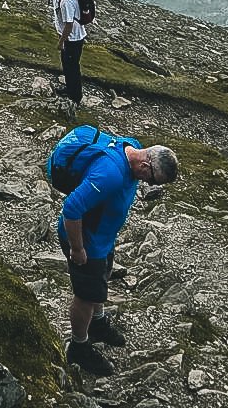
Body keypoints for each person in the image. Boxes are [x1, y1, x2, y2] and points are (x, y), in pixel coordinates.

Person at [51, 127, 179, 375]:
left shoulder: (131, 145)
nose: (149, 184)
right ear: (145, 166)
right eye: (152, 180)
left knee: (101, 279)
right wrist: (77, 249)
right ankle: (78, 346)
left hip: (103, 238)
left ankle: (97, 325)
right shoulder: (109, 174)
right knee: (86, 295)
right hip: (86, 242)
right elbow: (72, 209)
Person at [42, 0, 86, 104]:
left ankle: (75, 97)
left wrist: (61, 41)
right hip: (69, 37)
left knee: (72, 66)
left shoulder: (67, 0)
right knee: (67, 65)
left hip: (72, 39)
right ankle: (70, 88)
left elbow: (69, 24)